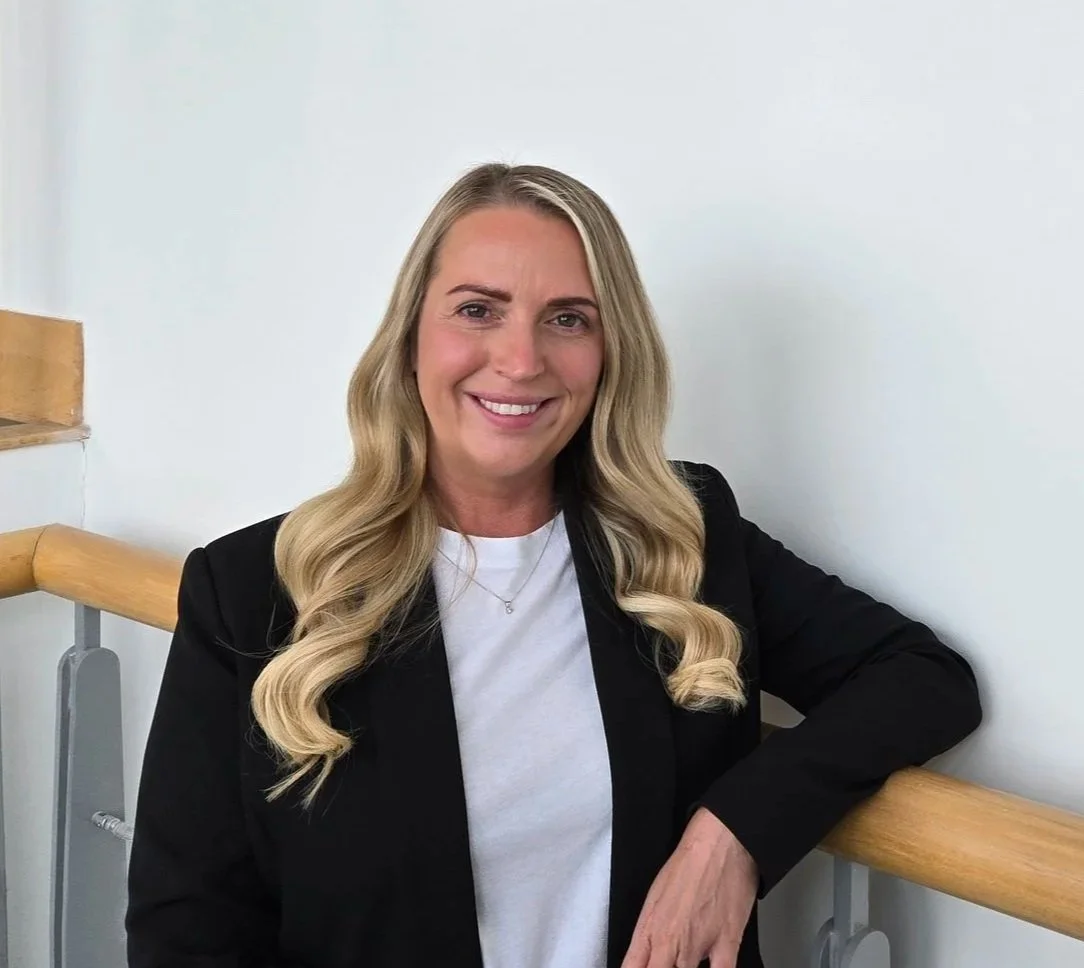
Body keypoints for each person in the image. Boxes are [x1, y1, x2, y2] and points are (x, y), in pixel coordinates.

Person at [125, 163, 982, 968]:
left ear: (610, 353)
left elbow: (922, 677)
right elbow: (186, 932)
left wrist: (735, 832)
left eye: (568, 318)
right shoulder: (249, 592)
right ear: (411, 339)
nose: (522, 360)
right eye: (478, 310)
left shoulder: (686, 535)